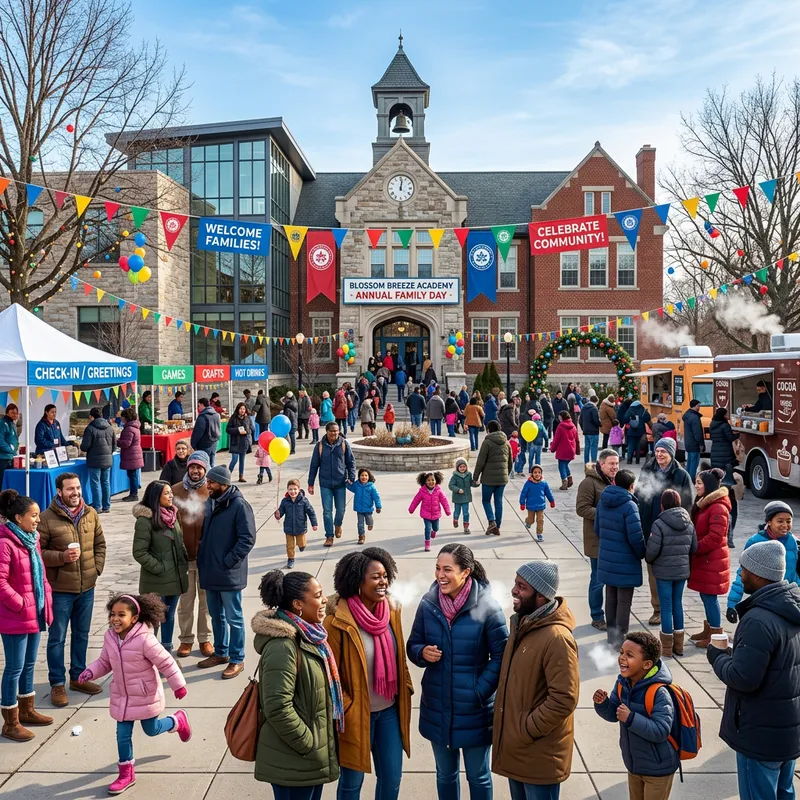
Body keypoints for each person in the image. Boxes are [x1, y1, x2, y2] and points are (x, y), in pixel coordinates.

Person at [407, 544, 508, 800]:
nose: (440, 575)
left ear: (465, 572)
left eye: (447, 569)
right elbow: (413, 644)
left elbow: (501, 657)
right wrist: (421, 652)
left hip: (474, 710)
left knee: (479, 776)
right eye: (438, 568)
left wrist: (478, 691)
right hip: (437, 706)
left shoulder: (488, 607)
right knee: (445, 775)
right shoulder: (428, 604)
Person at [708, 540, 800, 800]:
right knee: (784, 793)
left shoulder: (758, 620)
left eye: (744, 569)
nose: (740, 574)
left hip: (760, 734)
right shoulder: (791, 609)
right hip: (788, 730)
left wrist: (717, 656)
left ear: (758, 575)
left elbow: (743, 678)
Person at [324, 547, 414, 800]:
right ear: (357, 581)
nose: (383, 581)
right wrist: (348, 707)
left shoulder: (391, 612)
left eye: (385, 575)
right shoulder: (336, 622)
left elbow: (399, 658)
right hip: (356, 715)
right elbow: (329, 676)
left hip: (389, 712)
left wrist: (405, 686)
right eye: (375, 577)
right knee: (352, 784)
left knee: (392, 779)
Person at [80, 593, 191, 794]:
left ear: (134, 618)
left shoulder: (145, 639)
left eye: (121, 614)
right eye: (113, 614)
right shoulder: (110, 637)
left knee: (152, 729)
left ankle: (177, 721)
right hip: (122, 697)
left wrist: (178, 685)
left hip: (144, 695)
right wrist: (91, 671)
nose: (115, 619)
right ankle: (126, 774)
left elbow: (166, 662)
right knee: (122, 735)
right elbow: (105, 662)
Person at [492, 561, 579, 798]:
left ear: (541, 595)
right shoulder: (523, 623)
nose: (514, 590)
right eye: (515, 584)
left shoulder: (557, 639)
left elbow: (564, 699)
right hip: (517, 749)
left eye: (522, 587)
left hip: (538, 755)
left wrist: (526, 730)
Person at [252, 571, 341, 798]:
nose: (325, 600)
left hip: (308, 760)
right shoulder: (283, 647)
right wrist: (307, 744)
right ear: (298, 604)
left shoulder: (311, 636)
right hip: (293, 761)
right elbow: (277, 707)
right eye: (318, 596)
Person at [38, 473, 106, 707]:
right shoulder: (46, 518)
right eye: (70, 489)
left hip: (87, 587)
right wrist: (62, 557)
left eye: (77, 487)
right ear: (59, 492)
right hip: (60, 590)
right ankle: (57, 683)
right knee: (57, 638)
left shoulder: (91, 513)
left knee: (82, 634)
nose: (75, 492)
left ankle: (78, 677)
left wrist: (96, 569)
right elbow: (39, 553)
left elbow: (100, 544)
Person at [593, 631, 680, 799]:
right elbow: (614, 714)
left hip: (658, 769)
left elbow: (661, 731)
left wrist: (631, 718)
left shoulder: (659, 692)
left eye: (629, 655)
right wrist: (603, 704)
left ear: (646, 664)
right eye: (621, 652)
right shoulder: (622, 683)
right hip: (634, 765)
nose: (622, 658)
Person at [0, 489, 54, 741]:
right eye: (33, 516)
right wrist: (21, 604)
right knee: (14, 667)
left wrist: (46, 599)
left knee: (30, 664)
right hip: (16, 616)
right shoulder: (5, 543)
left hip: (35, 611)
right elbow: (1, 583)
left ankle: (27, 710)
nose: (37, 520)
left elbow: (40, 575)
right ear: (18, 517)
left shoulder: (32, 540)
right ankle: (10, 723)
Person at [196, 466, 256, 679]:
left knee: (234, 618)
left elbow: (247, 539)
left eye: (211, 482)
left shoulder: (239, 505)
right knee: (216, 616)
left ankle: (237, 658)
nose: (208, 486)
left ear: (223, 484)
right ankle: (221, 652)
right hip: (210, 571)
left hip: (228, 573)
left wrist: (228, 561)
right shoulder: (211, 502)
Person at [635, 438, 693, 627]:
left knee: (670, 572)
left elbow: (687, 504)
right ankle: (658, 609)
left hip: (672, 532)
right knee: (652, 570)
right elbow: (638, 495)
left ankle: (671, 609)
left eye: (664, 452)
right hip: (650, 527)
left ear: (672, 454)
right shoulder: (648, 469)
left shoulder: (681, 475)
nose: (659, 455)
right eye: (657, 450)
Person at [132, 481, 188, 654]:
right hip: (156, 581)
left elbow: (179, 542)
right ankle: (151, 654)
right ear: (156, 496)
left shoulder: (173, 515)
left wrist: (183, 560)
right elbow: (139, 552)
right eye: (167, 493)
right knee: (154, 620)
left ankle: (166, 651)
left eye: (171, 492)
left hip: (175, 578)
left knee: (169, 616)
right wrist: (160, 568)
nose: (171, 496)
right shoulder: (145, 521)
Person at [596, 469, 646, 649]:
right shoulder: (629, 506)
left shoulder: (603, 501)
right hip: (626, 560)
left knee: (610, 598)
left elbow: (597, 529)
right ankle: (621, 638)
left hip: (607, 558)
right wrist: (642, 552)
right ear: (631, 486)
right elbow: (635, 537)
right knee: (624, 602)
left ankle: (611, 636)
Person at [645, 489, 698, 658]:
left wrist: (649, 559)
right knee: (677, 604)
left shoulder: (659, 524)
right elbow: (694, 547)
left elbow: (652, 551)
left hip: (663, 572)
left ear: (662, 504)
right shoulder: (689, 523)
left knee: (666, 607)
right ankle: (679, 646)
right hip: (681, 572)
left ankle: (667, 648)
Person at [726, 500, 798, 623]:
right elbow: (743, 573)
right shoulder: (756, 542)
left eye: (788, 521)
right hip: (764, 599)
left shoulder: (793, 542)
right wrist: (732, 604)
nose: (785, 525)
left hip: (786, 598)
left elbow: (794, 573)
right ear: (768, 522)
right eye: (780, 521)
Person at [172, 450, 213, 659]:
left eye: (199, 467)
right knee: (186, 602)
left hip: (206, 558)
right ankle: (186, 639)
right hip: (184, 557)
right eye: (192, 467)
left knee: (206, 602)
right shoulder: (176, 490)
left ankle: (205, 639)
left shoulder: (211, 490)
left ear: (205, 469)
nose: (195, 471)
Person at [575, 449, 619, 632]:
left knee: (614, 581)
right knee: (598, 580)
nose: (615, 467)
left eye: (617, 463)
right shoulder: (589, 483)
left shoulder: (616, 480)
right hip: (597, 540)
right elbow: (582, 508)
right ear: (601, 464)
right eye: (611, 464)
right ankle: (597, 616)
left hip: (615, 540)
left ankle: (613, 615)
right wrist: (606, 514)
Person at [687, 468, 731, 648]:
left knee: (710, 597)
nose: (696, 486)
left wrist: (696, 547)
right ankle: (709, 629)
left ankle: (716, 635)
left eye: (699, 483)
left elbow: (715, 537)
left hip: (711, 559)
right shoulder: (705, 503)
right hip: (706, 559)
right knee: (705, 596)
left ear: (709, 485)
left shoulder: (717, 507)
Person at [308, 422, 356, 548]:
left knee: (341, 510)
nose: (335, 433)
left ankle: (338, 524)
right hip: (325, 484)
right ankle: (329, 536)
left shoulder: (344, 444)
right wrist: (310, 483)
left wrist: (351, 477)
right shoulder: (320, 446)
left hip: (340, 482)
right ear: (327, 432)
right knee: (327, 511)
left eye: (336, 430)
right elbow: (314, 465)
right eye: (332, 431)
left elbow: (351, 462)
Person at [473, 420, 512, 537]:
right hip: (502, 479)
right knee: (498, 501)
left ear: (488, 430)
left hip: (488, 479)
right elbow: (510, 461)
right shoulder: (506, 442)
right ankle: (497, 527)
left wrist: (475, 477)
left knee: (486, 501)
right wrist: (506, 474)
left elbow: (480, 461)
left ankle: (491, 521)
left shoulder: (487, 442)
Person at [275, 478, 318, 569]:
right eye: (290, 489)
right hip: (289, 528)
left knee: (301, 543)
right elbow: (281, 512)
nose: (293, 491)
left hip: (300, 527)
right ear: (287, 490)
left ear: (299, 489)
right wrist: (278, 514)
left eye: (295, 489)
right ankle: (291, 559)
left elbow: (311, 512)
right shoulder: (285, 501)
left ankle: (302, 545)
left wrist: (314, 524)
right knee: (290, 546)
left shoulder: (304, 501)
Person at [80, 406, 116, 514]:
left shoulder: (90, 428)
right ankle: (106, 506)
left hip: (94, 460)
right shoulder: (109, 427)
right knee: (105, 482)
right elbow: (114, 446)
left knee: (95, 483)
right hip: (107, 459)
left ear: (91, 416)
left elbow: (85, 446)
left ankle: (97, 506)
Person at [409, 471, 451, 553]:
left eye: (432, 480)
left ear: (436, 481)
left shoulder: (438, 491)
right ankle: (427, 543)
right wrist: (411, 509)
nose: (431, 482)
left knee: (436, 528)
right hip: (426, 514)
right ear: (425, 481)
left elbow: (444, 501)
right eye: (428, 480)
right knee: (427, 528)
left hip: (436, 514)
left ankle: (434, 531)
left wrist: (447, 510)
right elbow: (416, 500)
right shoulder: (422, 491)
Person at [520, 464, 555, 544]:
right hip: (531, 505)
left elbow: (548, 493)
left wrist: (551, 501)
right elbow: (523, 494)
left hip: (540, 505)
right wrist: (522, 503)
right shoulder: (528, 483)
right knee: (531, 520)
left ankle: (539, 534)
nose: (537, 474)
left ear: (541, 474)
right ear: (532, 474)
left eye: (539, 472)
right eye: (535, 472)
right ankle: (528, 522)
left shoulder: (544, 483)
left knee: (540, 520)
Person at [348, 468, 382, 546]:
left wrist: (378, 506)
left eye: (366, 475)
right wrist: (347, 483)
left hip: (368, 508)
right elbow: (351, 488)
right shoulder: (356, 485)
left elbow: (376, 497)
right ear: (359, 477)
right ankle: (361, 536)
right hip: (359, 509)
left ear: (368, 477)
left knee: (368, 520)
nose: (364, 477)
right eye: (362, 475)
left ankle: (370, 523)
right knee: (360, 524)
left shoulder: (371, 486)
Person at [118, 408, 144, 502]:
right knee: (133, 475)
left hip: (131, 455)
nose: (121, 419)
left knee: (132, 475)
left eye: (122, 417)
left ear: (126, 418)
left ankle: (133, 494)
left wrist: (117, 441)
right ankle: (133, 493)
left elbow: (126, 443)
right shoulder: (135, 427)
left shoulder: (129, 429)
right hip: (134, 454)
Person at [227, 402, 256, 482]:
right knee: (234, 459)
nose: (242, 410)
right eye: (240, 409)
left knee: (242, 460)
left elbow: (252, 429)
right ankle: (227, 476)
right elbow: (228, 429)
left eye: (243, 409)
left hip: (244, 441)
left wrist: (247, 431)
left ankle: (241, 476)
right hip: (235, 441)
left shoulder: (248, 418)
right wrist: (237, 430)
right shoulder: (233, 417)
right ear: (238, 409)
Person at [550, 410, 578, 490]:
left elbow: (556, 439)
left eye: (560, 417)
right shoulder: (573, 426)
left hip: (562, 450)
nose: (559, 419)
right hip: (571, 450)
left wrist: (552, 448)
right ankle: (569, 479)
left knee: (561, 466)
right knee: (565, 464)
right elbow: (577, 439)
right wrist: (577, 450)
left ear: (562, 417)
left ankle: (564, 482)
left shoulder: (561, 426)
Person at [191, 397, 221, 467]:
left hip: (204, 444)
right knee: (212, 463)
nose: (198, 408)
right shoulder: (217, 415)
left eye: (199, 406)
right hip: (214, 442)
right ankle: (211, 474)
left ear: (201, 404)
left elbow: (198, 433)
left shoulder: (202, 417)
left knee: (204, 464)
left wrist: (193, 444)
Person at [681, 399, 705, 480]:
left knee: (690, 462)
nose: (699, 407)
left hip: (688, 442)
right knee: (694, 463)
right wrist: (701, 444)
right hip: (694, 443)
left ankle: (686, 478)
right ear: (694, 406)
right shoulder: (695, 418)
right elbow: (697, 433)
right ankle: (691, 479)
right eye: (698, 406)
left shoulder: (687, 416)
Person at [709, 407, 739, 471]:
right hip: (725, 452)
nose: (728, 415)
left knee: (717, 472)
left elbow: (712, 437)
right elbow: (730, 438)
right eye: (726, 414)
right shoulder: (725, 425)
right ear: (723, 415)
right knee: (726, 471)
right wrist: (737, 435)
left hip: (715, 452)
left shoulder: (712, 424)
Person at [623, 399, 651, 464]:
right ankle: (637, 460)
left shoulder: (630, 410)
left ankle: (629, 460)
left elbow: (625, 419)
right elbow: (648, 418)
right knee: (638, 445)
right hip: (640, 431)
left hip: (631, 431)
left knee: (631, 445)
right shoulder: (642, 409)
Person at [449, 458, 473, 534]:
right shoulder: (455, 476)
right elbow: (451, 485)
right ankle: (455, 520)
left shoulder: (468, 475)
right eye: (460, 467)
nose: (462, 468)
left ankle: (466, 527)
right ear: (457, 468)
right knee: (457, 512)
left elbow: (471, 483)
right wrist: (457, 489)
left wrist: (476, 483)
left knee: (466, 513)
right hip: (457, 498)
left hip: (466, 498)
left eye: (464, 466)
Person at [0, 403, 19, 488]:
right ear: (7, 413)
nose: (15, 415)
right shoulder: (2, 423)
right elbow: (0, 441)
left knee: (10, 482)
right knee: (2, 482)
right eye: (12, 413)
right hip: (3, 458)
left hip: (11, 457)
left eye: (16, 413)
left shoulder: (12, 424)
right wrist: (11, 450)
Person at [579, 395, 601, 464]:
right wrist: (600, 424)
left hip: (586, 431)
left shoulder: (583, 407)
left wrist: (583, 428)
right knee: (594, 447)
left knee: (587, 447)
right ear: (596, 401)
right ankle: (593, 462)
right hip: (593, 431)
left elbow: (580, 420)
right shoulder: (594, 408)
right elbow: (596, 420)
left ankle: (586, 462)